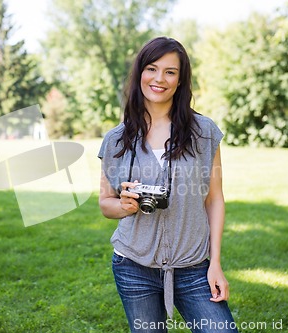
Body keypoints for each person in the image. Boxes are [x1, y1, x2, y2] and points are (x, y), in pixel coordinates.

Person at [98, 37, 238, 333]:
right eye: (152, 68)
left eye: (170, 72)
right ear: (139, 75)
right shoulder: (115, 140)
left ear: (180, 80)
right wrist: (124, 206)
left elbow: (214, 199)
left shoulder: (204, 132)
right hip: (133, 266)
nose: (159, 79)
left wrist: (215, 263)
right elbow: (105, 203)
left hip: (194, 266)